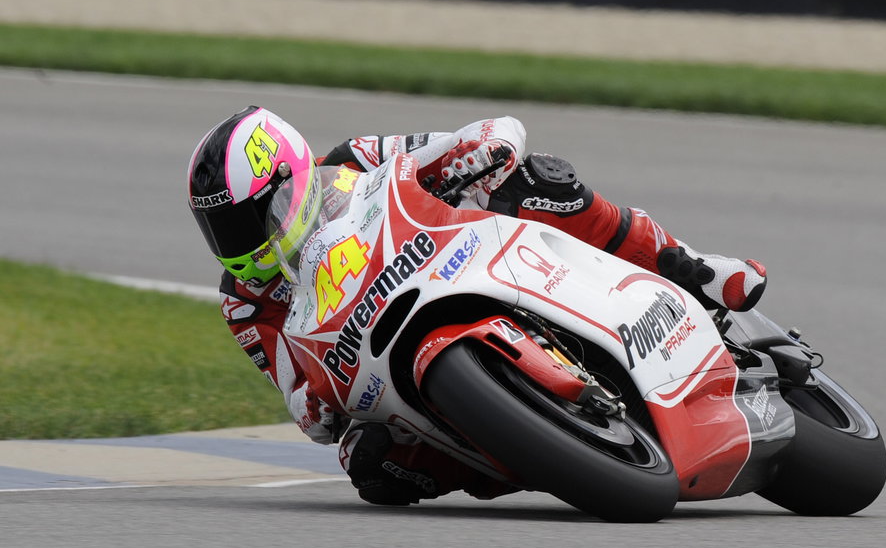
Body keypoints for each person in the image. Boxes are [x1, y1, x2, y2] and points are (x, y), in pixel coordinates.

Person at [186, 106, 766, 505]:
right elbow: (298, 401)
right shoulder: (243, 304)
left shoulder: (358, 158)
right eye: (220, 228)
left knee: (538, 180)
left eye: (244, 219)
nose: (235, 241)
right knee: (370, 465)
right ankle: (535, 449)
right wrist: (313, 406)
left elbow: (472, 140)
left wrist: (477, 151)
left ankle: (693, 268)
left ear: (293, 176)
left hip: (457, 255)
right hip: (378, 363)